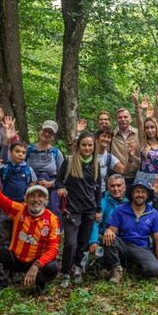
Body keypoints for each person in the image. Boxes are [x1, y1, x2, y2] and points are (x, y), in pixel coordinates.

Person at [0, 149, 61, 296]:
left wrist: (37, 265)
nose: (36, 199)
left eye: (40, 196)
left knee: (53, 265)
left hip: (35, 260)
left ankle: (39, 284)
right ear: (26, 199)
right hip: (15, 257)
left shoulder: (52, 219)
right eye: (32, 196)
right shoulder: (19, 210)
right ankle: (0, 284)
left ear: (46, 201)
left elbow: (53, 249)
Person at [55, 131, 102, 286]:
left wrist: (98, 210)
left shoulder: (95, 164)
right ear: (78, 145)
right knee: (70, 243)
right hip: (72, 209)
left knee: (83, 242)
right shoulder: (69, 161)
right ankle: (65, 273)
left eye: (90, 145)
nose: (87, 148)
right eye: (84, 145)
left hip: (89, 209)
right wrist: (61, 188)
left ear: (94, 147)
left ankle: (77, 267)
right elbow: (59, 180)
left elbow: (97, 188)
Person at [102, 180, 158, 284]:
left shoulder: (153, 213)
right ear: (132, 194)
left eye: (143, 192)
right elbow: (112, 230)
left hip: (142, 248)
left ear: (147, 196)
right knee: (109, 238)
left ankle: (133, 269)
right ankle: (116, 269)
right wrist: (108, 231)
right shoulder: (121, 209)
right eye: (137, 192)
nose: (140, 195)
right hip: (124, 245)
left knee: (153, 269)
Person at [0, 138, 37, 247]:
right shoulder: (5, 168)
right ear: (10, 152)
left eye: (23, 152)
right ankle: (4, 253)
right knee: (3, 231)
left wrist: (29, 201)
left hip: (21, 206)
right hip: (6, 206)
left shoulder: (28, 169)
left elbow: (33, 185)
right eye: (17, 151)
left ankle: (18, 255)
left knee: (20, 232)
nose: (20, 154)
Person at [131, 92, 158, 201]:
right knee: (140, 203)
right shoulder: (143, 142)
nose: (150, 130)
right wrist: (136, 104)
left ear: (157, 128)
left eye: (152, 127)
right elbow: (139, 122)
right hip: (142, 177)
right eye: (147, 128)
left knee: (156, 204)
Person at [26, 120, 65, 216]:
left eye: (50, 133)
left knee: (52, 212)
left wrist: (51, 183)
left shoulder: (56, 153)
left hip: (51, 188)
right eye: (45, 131)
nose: (46, 134)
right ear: (40, 131)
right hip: (31, 186)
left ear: (53, 136)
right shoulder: (28, 150)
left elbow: (62, 176)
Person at [88, 174, 128, 262]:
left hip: (125, 239)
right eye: (112, 186)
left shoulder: (129, 203)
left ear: (124, 187)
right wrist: (93, 241)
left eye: (119, 185)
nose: (116, 189)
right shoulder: (103, 203)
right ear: (108, 188)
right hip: (107, 237)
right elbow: (95, 222)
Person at [110, 108, 139, 186]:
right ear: (116, 120)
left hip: (136, 176)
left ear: (130, 119)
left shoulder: (139, 134)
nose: (123, 119)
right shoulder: (111, 135)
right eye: (120, 117)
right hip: (116, 177)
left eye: (125, 117)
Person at [95, 126, 126, 193]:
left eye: (109, 137)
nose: (106, 139)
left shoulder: (109, 157)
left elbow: (123, 170)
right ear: (97, 138)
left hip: (102, 193)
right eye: (104, 136)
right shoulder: (89, 154)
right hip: (87, 193)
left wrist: (131, 157)